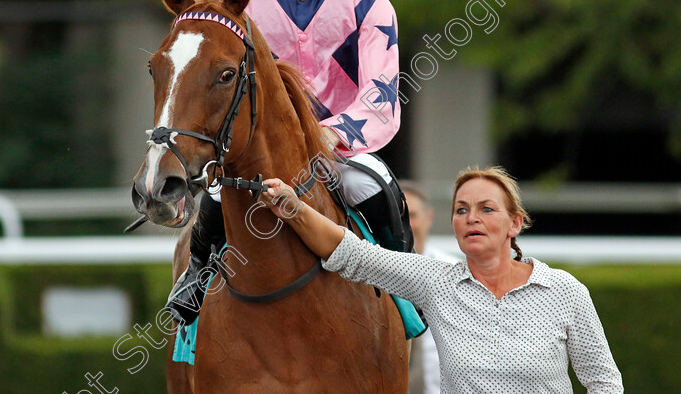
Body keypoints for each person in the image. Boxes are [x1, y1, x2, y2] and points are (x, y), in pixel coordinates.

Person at [167, 0, 412, 324]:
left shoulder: (369, 3)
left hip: (336, 152)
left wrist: (328, 138)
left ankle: (407, 294)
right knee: (218, 199)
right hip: (253, 153)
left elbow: (380, 96)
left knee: (375, 184)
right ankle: (196, 279)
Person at [259, 166, 624, 393]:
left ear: (515, 223)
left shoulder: (564, 290)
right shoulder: (435, 280)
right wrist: (293, 207)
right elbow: (352, 254)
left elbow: (604, 382)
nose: (471, 218)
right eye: (461, 210)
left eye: (486, 209)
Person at [399, 181, 460, 394]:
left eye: (412, 215)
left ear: (429, 217)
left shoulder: (456, 274)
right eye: (397, 215)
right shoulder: (367, 278)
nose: (405, 223)